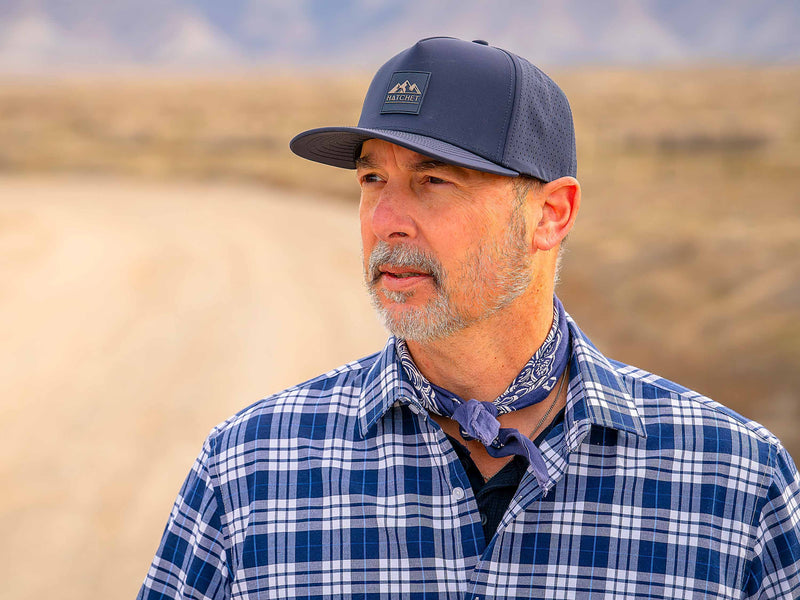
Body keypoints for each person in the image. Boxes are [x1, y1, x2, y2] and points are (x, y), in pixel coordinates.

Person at [137, 37, 800, 599]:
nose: (387, 222)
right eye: (372, 180)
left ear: (551, 215)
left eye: (434, 181)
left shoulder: (734, 483)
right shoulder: (251, 470)